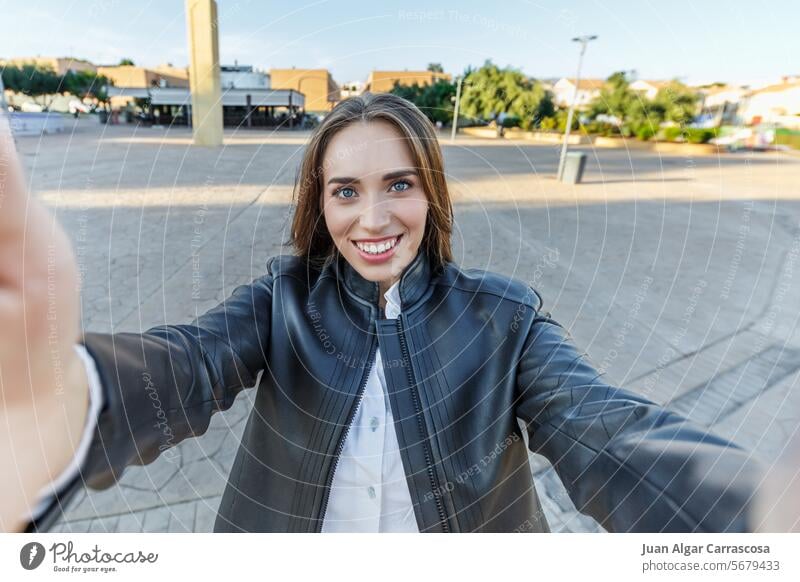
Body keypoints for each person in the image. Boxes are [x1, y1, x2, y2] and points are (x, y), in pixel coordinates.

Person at [2, 93, 765, 534]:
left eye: (398, 185)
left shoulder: (506, 318)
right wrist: (61, 398)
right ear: (321, 201)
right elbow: (188, 366)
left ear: (431, 193)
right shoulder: (281, 300)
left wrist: (753, 513)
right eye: (346, 191)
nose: (373, 219)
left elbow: (603, 432)